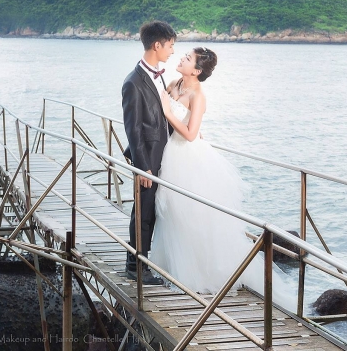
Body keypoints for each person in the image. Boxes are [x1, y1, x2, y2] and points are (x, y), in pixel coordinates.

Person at [150, 47, 295, 309]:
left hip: (187, 156)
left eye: (186, 58)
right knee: (172, 211)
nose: (181, 58)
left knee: (190, 212)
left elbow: (192, 134)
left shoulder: (198, 95)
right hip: (171, 153)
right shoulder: (174, 83)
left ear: (196, 70)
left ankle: (199, 274)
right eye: (182, 55)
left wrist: (169, 112)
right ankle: (174, 266)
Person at [121, 21, 176, 284]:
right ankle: (135, 267)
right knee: (143, 211)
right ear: (157, 45)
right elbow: (133, 130)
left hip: (161, 154)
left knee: (151, 210)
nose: (173, 51)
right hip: (147, 158)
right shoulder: (132, 83)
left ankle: (142, 262)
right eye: (170, 45)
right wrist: (143, 167)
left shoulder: (158, 75)